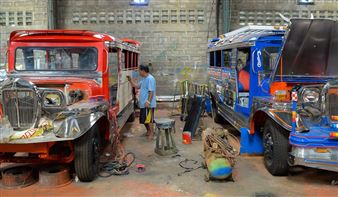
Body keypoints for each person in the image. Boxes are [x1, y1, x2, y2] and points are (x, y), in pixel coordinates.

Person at [127, 65, 156, 140]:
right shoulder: (144, 79)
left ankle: (152, 134)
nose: (138, 72)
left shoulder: (150, 79)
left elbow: (151, 91)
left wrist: (148, 101)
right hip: (143, 103)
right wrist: (130, 80)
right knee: (144, 119)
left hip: (148, 104)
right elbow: (137, 86)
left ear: (143, 71)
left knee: (149, 119)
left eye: (139, 70)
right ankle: (149, 131)